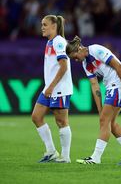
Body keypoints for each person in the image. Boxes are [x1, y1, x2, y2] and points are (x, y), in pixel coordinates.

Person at [66, 36, 121, 164]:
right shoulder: (86, 64)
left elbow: (118, 66)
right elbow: (95, 85)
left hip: (118, 84)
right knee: (110, 124)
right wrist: (100, 109)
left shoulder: (96, 50)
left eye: (75, 57)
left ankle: (96, 158)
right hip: (111, 87)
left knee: (105, 121)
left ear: (79, 49)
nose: (75, 60)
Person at [31, 15, 73, 163]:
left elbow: (64, 66)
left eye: (45, 24)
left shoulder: (59, 42)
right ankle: (51, 151)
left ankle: (65, 157)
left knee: (61, 121)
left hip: (59, 88)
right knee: (36, 117)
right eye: (42, 24)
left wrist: (51, 87)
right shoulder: (50, 42)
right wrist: (48, 88)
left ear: (54, 26)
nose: (42, 27)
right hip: (49, 88)